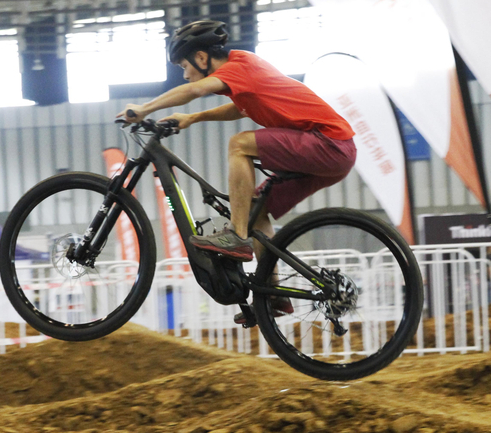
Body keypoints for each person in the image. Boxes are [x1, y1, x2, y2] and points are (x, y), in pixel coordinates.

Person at [116, 20, 356, 315]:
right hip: (335, 151)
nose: (185, 73)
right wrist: (193, 119)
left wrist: (144, 109)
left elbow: (195, 90)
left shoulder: (238, 67)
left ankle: (236, 237)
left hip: (329, 143)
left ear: (201, 58)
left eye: (184, 65)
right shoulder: (244, 68)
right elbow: (240, 108)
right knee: (256, 208)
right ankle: (275, 296)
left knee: (239, 144)